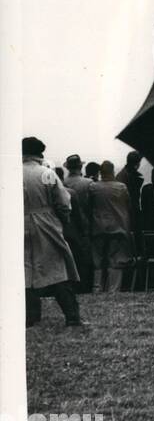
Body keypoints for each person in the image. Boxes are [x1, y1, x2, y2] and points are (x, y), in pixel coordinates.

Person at [22, 137, 84, 327]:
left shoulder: (9, 172)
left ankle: (30, 316)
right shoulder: (46, 173)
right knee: (58, 268)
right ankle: (72, 315)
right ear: (40, 153)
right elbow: (63, 202)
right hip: (46, 223)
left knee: (26, 271)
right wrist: (63, 221)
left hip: (19, 223)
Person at [88, 159, 133, 292]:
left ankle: (97, 288)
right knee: (116, 259)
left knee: (98, 260)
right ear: (113, 171)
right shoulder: (121, 187)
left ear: (100, 173)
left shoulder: (93, 187)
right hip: (118, 227)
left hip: (98, 226)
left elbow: (89, 206)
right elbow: (128, 206)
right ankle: (114, 289)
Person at [63, 154, 95, 293]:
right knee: (85, 257)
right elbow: (92, 205)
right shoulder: (88, 183)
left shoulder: (63, 183)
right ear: (80, 166)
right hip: (85, 224)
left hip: (67, 224)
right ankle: (85, 286)